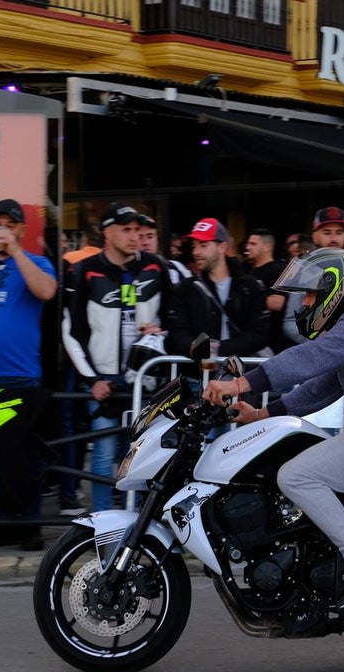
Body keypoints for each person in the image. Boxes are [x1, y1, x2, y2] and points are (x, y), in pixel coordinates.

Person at [202, 248, 344, 610]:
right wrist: (262, 414)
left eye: (309, 295)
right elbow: (324, 384)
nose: (304, 304)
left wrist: (240, 384)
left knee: (295, 476)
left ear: (334, 289)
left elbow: (307, 359)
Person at [63, 202, 174, 512]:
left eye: (138, 230)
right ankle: (103, 522)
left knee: (141, 454)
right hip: (105, 379)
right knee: (102, 455)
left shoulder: (156, 267)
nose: (134, 236)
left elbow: (175, 317)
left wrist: (162, 331)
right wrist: (92, 379)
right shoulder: (84, 270)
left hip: (146, 376)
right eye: (126, 230)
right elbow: (71, 331)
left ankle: (138, 524)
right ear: (107, 232)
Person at [0, 198, 58, 551]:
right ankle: (5, 524)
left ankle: (30, 525)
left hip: (18, 377)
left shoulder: (37, 262)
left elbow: (46, 291)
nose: (1, 228)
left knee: (21, 456)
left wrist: (16, 250)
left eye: (9, 223)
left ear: (21, 229)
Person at [165, 217, 270, 359]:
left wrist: (219, 349)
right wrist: (194, 347)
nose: (196, 252)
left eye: (203, 245)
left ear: (222, 247)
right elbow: (177, 331)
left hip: (242, 370)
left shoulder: (250, 286)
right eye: (194, 246)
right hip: (199, 370)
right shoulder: (186, 288)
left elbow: (260, 334)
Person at [243, 228, 288, 352]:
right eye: (248, 243)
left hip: (269, 343)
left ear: (266, 247)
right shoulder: (248, 271)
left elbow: (276, 303)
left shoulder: (278, 269)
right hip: (249, 339)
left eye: (253, 244)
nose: (247, 247)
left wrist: (245, 300)